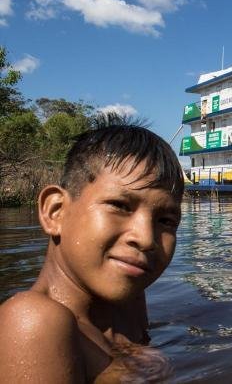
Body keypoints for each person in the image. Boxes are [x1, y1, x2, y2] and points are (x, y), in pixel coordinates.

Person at [0, 124, 184, 382]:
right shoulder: (33, 321)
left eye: (166, 221)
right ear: (56, 212)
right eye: (119, 205)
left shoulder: (128, 300)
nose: (146, 239)